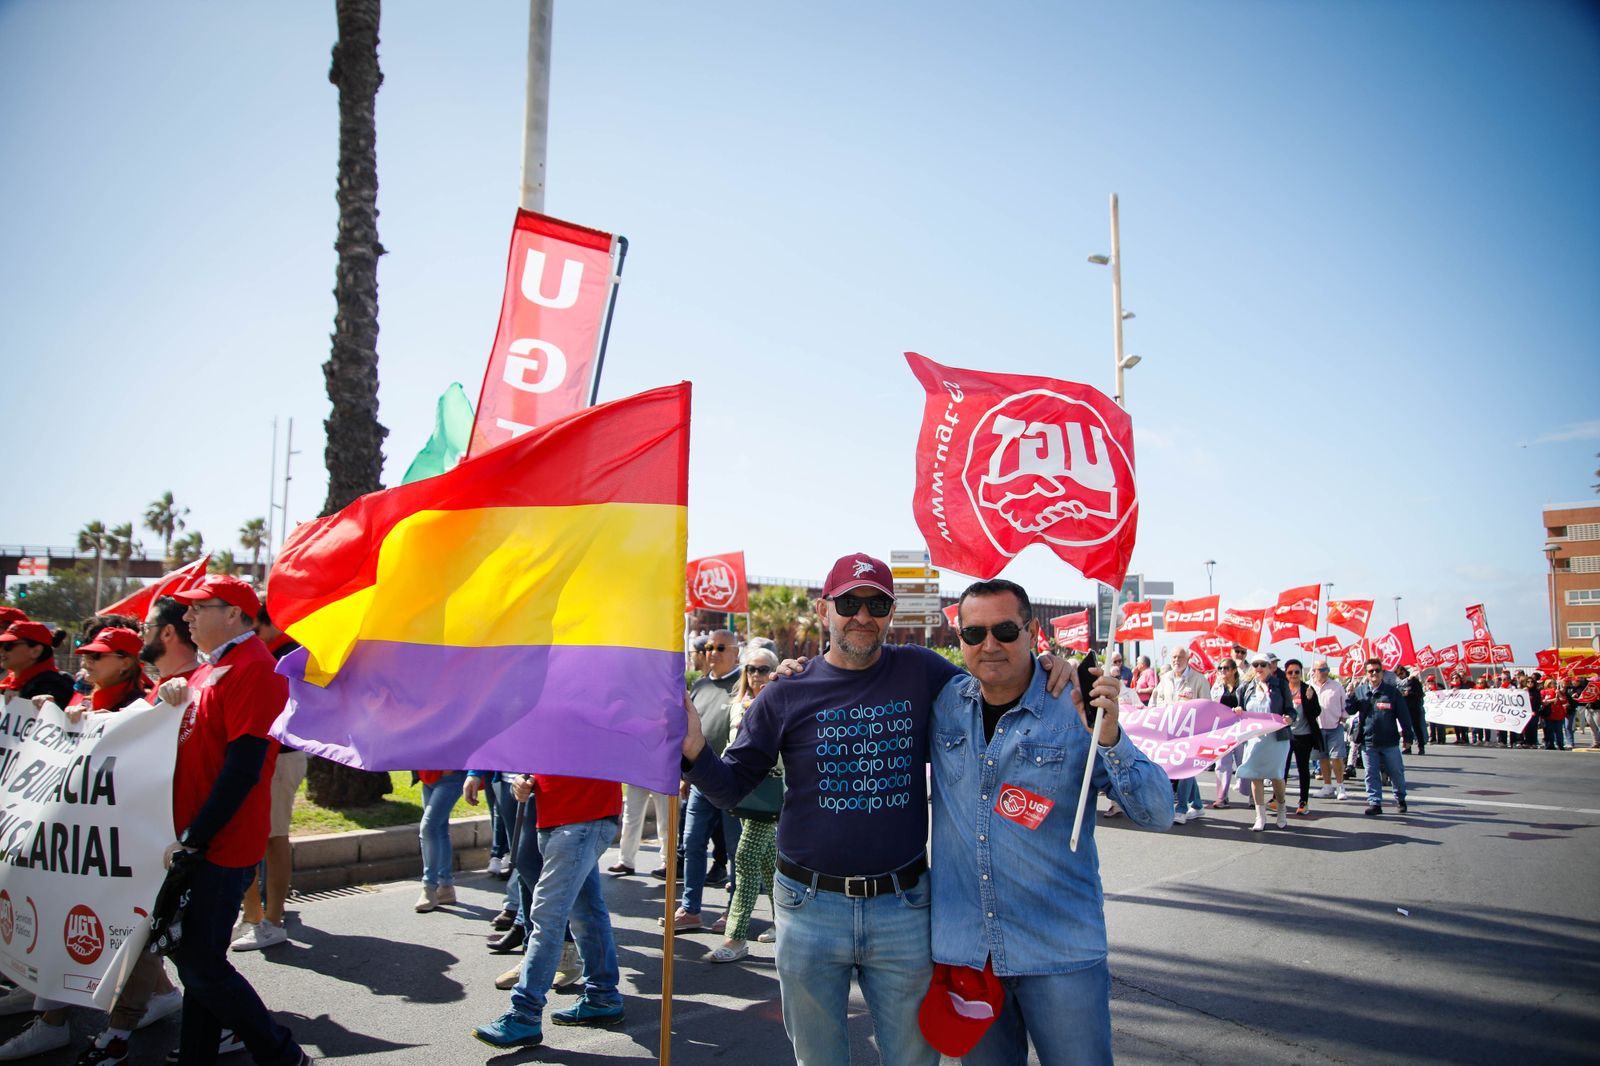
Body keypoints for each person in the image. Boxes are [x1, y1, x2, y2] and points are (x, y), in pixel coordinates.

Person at [679, 553, 1068, 1066]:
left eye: (877, 605)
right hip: (808, 908)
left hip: (903, 907)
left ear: (891, 614)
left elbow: (993, 685)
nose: (862, 615)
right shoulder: (786, 692)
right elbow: (731, 787)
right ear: (824, 610)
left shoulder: (920, 670)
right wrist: (692, 751)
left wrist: (1047, 668)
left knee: (914, 1059)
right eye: (849, 603)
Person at [927, 579, 1171, 1065]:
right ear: (960, 639)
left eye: (1004, 631)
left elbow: (1158, 812)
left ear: (1032, 632)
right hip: (969, 954)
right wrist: (795, 673)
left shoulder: (1076, 704)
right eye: (974, 633)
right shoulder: (943, 703)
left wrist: (1110, 738)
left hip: (1059, 953)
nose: (989, 645)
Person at [161, 576, 309, 1066]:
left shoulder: (255, 668)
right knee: (198, 963)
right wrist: (168, 695)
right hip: (200, 840)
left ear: (233, 614)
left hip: (223, 843)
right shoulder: (211, 668)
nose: (187, 616)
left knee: (200, 965)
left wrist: (196, 836)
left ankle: (282, 1054)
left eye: (198, 607)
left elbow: (244, 767)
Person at [472, 772, 625, 1050]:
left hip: (583, 817)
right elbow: (544, 762)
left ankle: (524, 1013)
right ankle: (602, 996)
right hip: (558, 816)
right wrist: (526, 781)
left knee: (548, 915)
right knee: (586, 912)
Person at [231, 606, 308, 950]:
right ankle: (254, 914)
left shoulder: (290, 653)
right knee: (252, 836)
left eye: (253, 625)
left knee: (273, 837)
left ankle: (271, 920)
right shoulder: (260, 652)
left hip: (281, 756)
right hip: (262, 755)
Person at [706, 645, 784, 964]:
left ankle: (736, 937)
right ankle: (784, 920)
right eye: (750, 669)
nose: (755, 675)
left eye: (763, 669)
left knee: (746, 857)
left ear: (774, 672)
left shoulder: (781, 701)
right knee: (767, 860)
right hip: (742, 790)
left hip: (770, 788)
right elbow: (730, 745)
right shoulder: (737, 704)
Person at [669, 630, 742, 931]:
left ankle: (734, 912)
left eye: (721, 647)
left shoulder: (742, 684)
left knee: (736, 850)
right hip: (700, 780)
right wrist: (684, 774)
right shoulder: (699, 686)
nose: (713, 652)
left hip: (733, 780)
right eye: (709, 647)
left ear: (736, 652)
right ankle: (690, 909)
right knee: (692, 843)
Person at [1235, 653, 1295, 831]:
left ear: (1270, 667)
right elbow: (1240, 709)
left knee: (1276, 776)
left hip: (1276, 738)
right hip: (1254, 738)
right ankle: (1260, 816)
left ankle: (1281, 808)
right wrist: (1238, 710)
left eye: (1263, 665)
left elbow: (1291, 710)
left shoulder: (1281, 685)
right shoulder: (1246, 687)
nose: (1259, 668)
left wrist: (1290, 718)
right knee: (1256, 776)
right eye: (1255, 665)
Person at [1152, 647, 1210, 824]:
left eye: (1180, 657)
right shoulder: (1165, 678)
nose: (1176, 660)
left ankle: (1182, 808)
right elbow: (1158, 699)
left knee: (1186, 768)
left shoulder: (1199, 680)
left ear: (1188, 658)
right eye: (1174, 657)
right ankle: (1197, 805)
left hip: (1192, 733)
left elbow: (1207, 706)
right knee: (1184, 768)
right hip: (1170, 731)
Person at [1348, 658, 1412, 815]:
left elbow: (1404, 716)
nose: (1374, 673)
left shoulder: (1392, 692)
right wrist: (1350, 695)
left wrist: (1408, 737)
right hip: (1368, 741)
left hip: (1390, 742)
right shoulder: (1360, 691)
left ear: (1382, 672)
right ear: (1366, 673)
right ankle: (1375, 802)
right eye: (1371, 671)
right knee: (1371, 774)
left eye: (1377, 670)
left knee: (1396, 772)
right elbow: (1350, 710)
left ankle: (1400, 799)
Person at [1280, 660, 1323, 816]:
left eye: (1297, 672)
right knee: (1282, 769)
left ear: (1301, 673)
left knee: (1303, 769)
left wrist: (1311, 699)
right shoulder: (1282, 690)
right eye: (1290, 672)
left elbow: (1316, 712)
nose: (1293, 675)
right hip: (1285, 735)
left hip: (1304, 736)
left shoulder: (1307, 689)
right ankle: (1278, 799)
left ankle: (1303, 802)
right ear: (1286, 674)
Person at [0, 620, 73, 709]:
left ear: (35, 651)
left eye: (8, 645)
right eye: (0, 645)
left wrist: (52, 706)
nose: (1, 650)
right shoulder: (9, 684)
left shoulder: (55, 687)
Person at [1310, 660, 1349, 800]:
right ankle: (1327, 786)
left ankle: (1340, 786)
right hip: (1317, 728)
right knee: (1323, 758)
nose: (1324, 672)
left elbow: (1345, 704)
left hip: (1334, 726)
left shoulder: (1337, 686)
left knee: (1336, 757)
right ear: (1314, 671)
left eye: (1326, 669)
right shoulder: (1309, 687)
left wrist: (1344, 717)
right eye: (1321, 670)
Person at [1209, 658, 1245, 809]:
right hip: (1223, 730)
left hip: (1242, 729)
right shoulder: (1217, 687)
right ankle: (1221, 797)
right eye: (1220, 668)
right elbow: (1211, 706)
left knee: (1244, 762)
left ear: (1234, 670)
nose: (1222, 671)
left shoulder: (1243, 686)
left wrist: (1241, 709)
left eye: (1226, 668)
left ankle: (1251, 794)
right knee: (1222, 764)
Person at [1398, 666, 1427, 755]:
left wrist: (1409, 693)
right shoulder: (1399, 683)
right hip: (1403, 708)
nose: (1400, 676)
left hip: (1414, 708)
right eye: (1398, 675)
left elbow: (1420, 694)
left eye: (1401, 674)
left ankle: (1421, 747)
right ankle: (1407, 747)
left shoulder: (1414, 681)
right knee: (1405, 728)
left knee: (1416, 727)